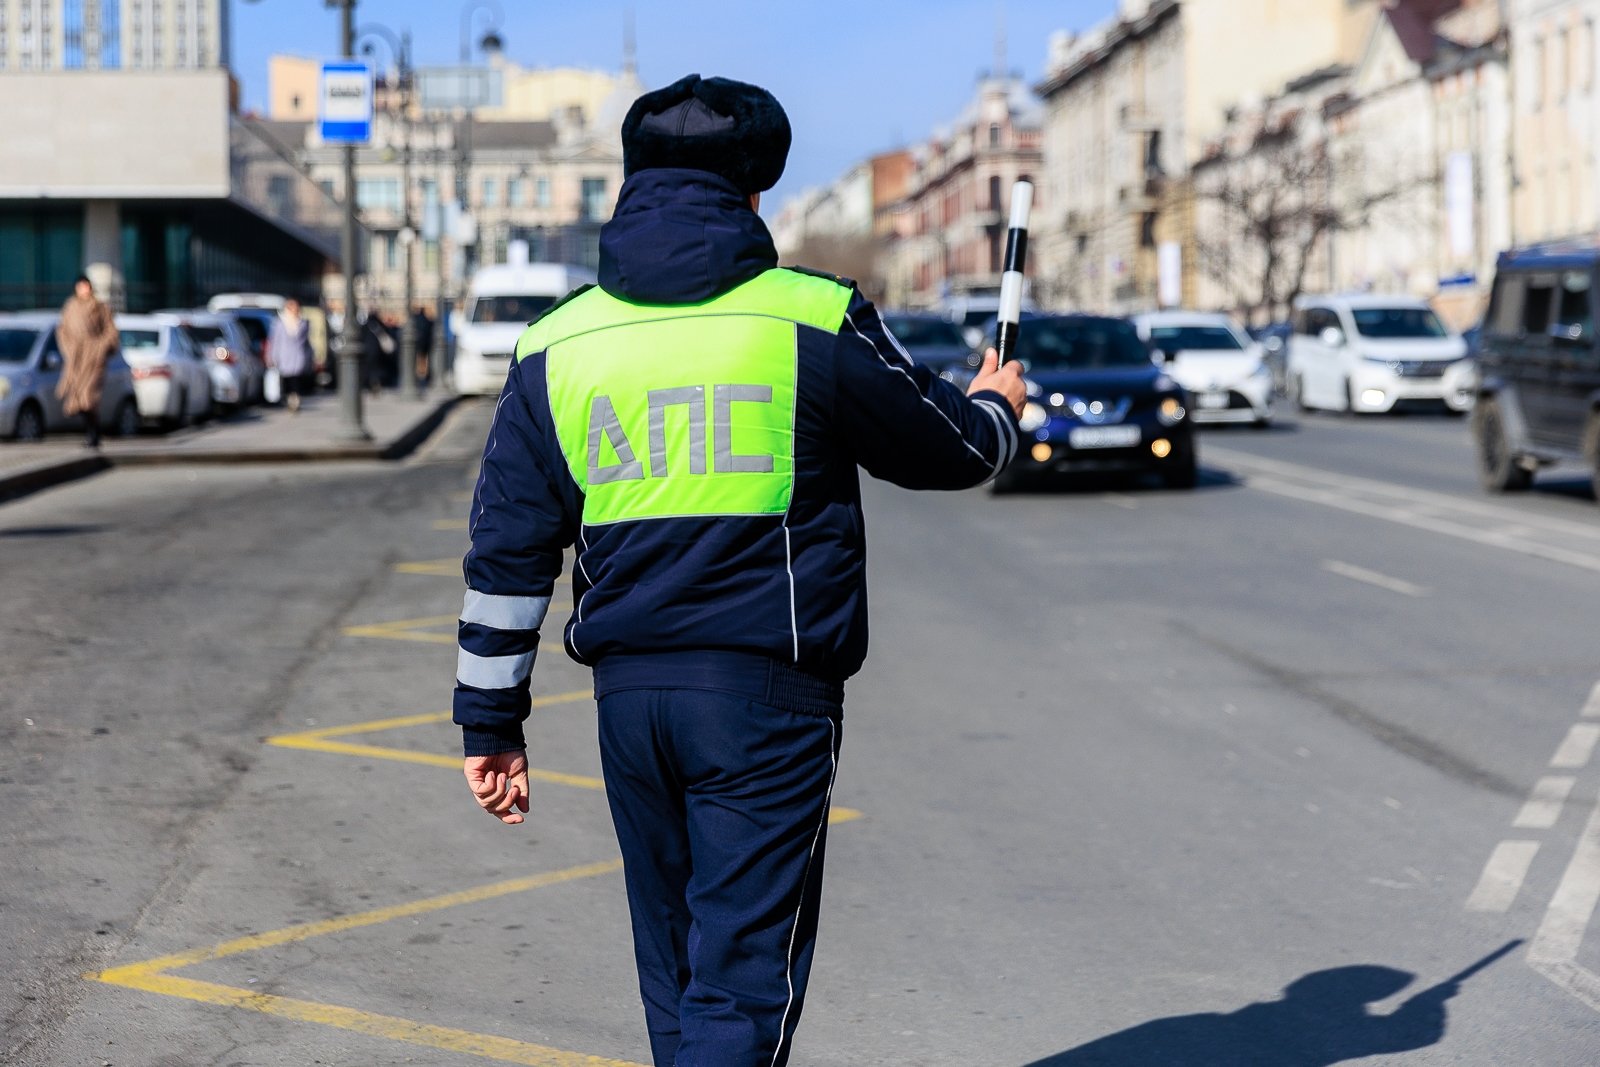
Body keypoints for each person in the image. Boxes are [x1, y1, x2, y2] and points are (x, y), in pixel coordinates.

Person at [453, 74, 1026, 1067]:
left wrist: (489, 719)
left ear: (633, 182)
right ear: (755, 190)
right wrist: (999, 404)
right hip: (764, 697)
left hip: (631, 705)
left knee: (674, 971)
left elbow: (508, 551)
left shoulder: (556, 342)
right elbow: (953, 449)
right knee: (741, 979)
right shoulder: (808, 318)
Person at [56, 275, 120, 449]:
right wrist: (69, 349)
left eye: (86, 286)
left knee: (89, 396)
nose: (84, 289)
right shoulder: (70, 307)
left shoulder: (100, 307)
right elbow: (63, 331)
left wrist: (101, 347)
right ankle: (91, 432)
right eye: (81, 286)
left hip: (93, 359)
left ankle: (93, 434)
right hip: (76, 359)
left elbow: (111, 331)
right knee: (78, 398)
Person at [266, 298, 315, 412]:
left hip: (298, 356)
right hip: (284, 356)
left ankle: (295, 399)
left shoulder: (303, 322)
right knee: (287, 379)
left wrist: (311, 356)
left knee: (296, 379)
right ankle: (289, 398)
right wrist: (272, 356)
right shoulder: (279, 323)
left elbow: (307, 341)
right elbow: (275, 341)